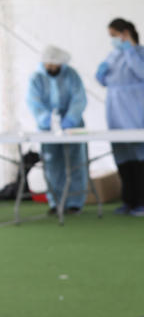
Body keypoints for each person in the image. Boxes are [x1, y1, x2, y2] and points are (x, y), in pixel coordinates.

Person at [95, 18, 144, 217]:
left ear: (125, 33)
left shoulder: (143, 53)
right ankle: (129, 199)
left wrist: (130, 51)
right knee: (123, 154)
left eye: (114, 35)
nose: (112, 40)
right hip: (115, 108)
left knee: (140, 153)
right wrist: (101, 73)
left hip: (136, 107)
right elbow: (104, 78)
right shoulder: (113, 54)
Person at [26, 45, 88, 216]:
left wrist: (70, 119)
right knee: (52, 165)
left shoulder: (71, 75)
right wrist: (46, 120)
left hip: (72, 126)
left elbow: (79, 99)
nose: (51, 68)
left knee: (75, 162)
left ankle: (75, 202)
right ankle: (55, 202)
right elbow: (34, 102)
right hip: (47, 128)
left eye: (55, 65)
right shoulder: (36, 78)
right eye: (48, 65)